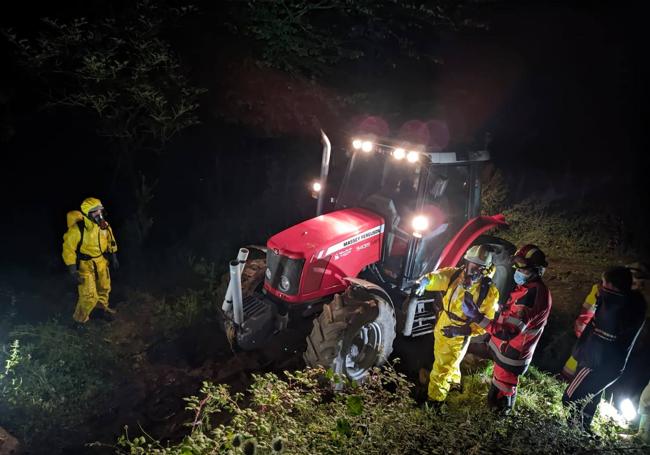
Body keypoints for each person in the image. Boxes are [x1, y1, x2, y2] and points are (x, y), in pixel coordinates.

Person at [457, 244, 552, 414]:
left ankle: (499, 421)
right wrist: (502, 309)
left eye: (523, 269)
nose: (517, 271)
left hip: (512, 353)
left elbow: (508, 332)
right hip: (508, 352)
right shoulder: (529, 287)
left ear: (537, 270)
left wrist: (477, 317)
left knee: (500, 392)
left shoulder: (531, 295)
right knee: (501, 382)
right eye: (517, 267)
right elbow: (516, 316)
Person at [562, 266, 647, 432]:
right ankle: (582, 433)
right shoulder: (630, 305)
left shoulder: (620, 307)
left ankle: (573, 433)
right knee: (588, 401)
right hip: (606, 364)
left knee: (570, 398)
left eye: (604, 283)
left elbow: (608, 325)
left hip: (595, 363)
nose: (601, 286)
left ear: (613, 287)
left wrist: (603, 299)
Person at [416, 244, 499, 405]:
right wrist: (426, 280)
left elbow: (485, 322)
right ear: (467, 263)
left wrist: (460, 330)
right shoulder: (456, 275)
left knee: (442, 369)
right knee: (447, 360)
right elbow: (440, 276)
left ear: (486, 269)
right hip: (443, 322)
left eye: (479, 268)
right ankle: (454, 385)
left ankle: (434, 400)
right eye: (472, 266)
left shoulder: (488, 292)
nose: (474, 271)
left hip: (459, 332)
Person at [561, 262, 648, 380]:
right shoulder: (602, 290)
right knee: (573, 370)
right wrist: (585, 331)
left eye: (640, 283)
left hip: (609, 351)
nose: (637, 286)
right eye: (634, 282)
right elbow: (587, 312)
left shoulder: (637, 303)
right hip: (592, 340)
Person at [62, 197, 119, 323]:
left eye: (100, 211)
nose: (99, 214)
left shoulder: (104, 226)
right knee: (88, 296)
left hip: (101, 261)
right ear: (87, 214)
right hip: (85, 265)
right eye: (95, 212)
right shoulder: (78, 229)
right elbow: (68, 249)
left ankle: (100, 311)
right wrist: (72, 270)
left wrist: (113, 256)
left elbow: (111, 240)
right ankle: (79, 320)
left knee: (104, 288)